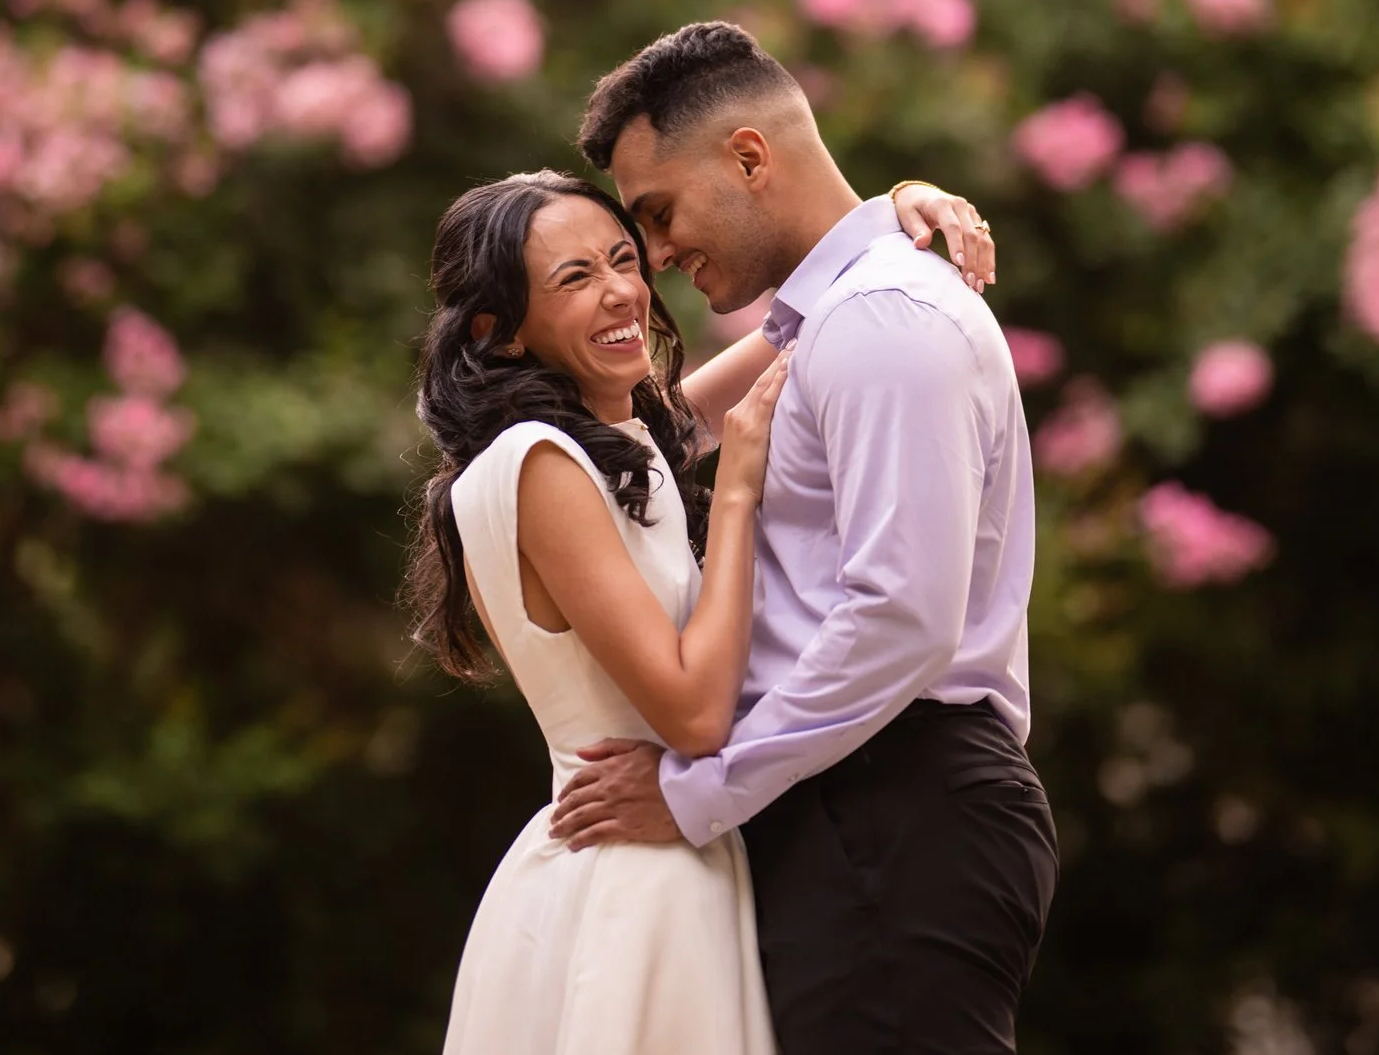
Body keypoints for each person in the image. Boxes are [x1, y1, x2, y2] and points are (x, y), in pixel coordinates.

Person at [545, 21, 1055, 1055]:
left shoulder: (882, 322)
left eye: (656, 213)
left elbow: (899, 619)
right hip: (850, 805)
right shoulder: (827, 321)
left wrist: (696, 792)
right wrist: (887, 210)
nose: (655, 256)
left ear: (746, 156)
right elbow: (652, 442)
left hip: (893, 808)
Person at [406, 163, 997, 1055]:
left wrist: (888, 217)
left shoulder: (598, 449)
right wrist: (736, 495)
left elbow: (794, 334)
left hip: (653, 857)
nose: (621, 293)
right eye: (574, 279)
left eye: (621, 259)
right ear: (502, 331)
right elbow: (691, 711)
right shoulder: (540, 463)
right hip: (635, 875)